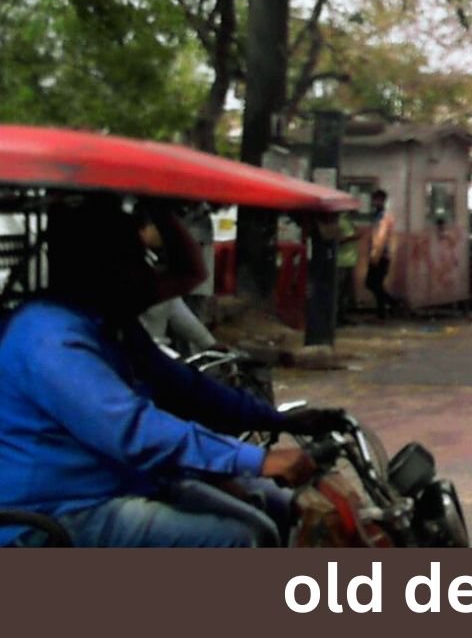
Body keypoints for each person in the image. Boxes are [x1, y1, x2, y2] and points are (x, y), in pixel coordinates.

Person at [0, 196, 345, 547]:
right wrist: (255, 460)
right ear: (97, 266)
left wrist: (277, 420)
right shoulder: (51, 337)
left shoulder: (110, 325)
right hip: (60, 511)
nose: (146, 273)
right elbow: (133, 431)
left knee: (271, 510)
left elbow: (187, 388)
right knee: (237, 538)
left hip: (120, 481)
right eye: (132, 260)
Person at [364, 189, 399, 319]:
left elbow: (381, 237)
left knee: (372, 283)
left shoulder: (382, 216)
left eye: (376, 199)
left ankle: (392, 303)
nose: (374, 202)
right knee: (376, 283)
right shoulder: (379, 215)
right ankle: (382, 311)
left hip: (380, 254)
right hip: (382, 254)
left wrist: (375, 254)